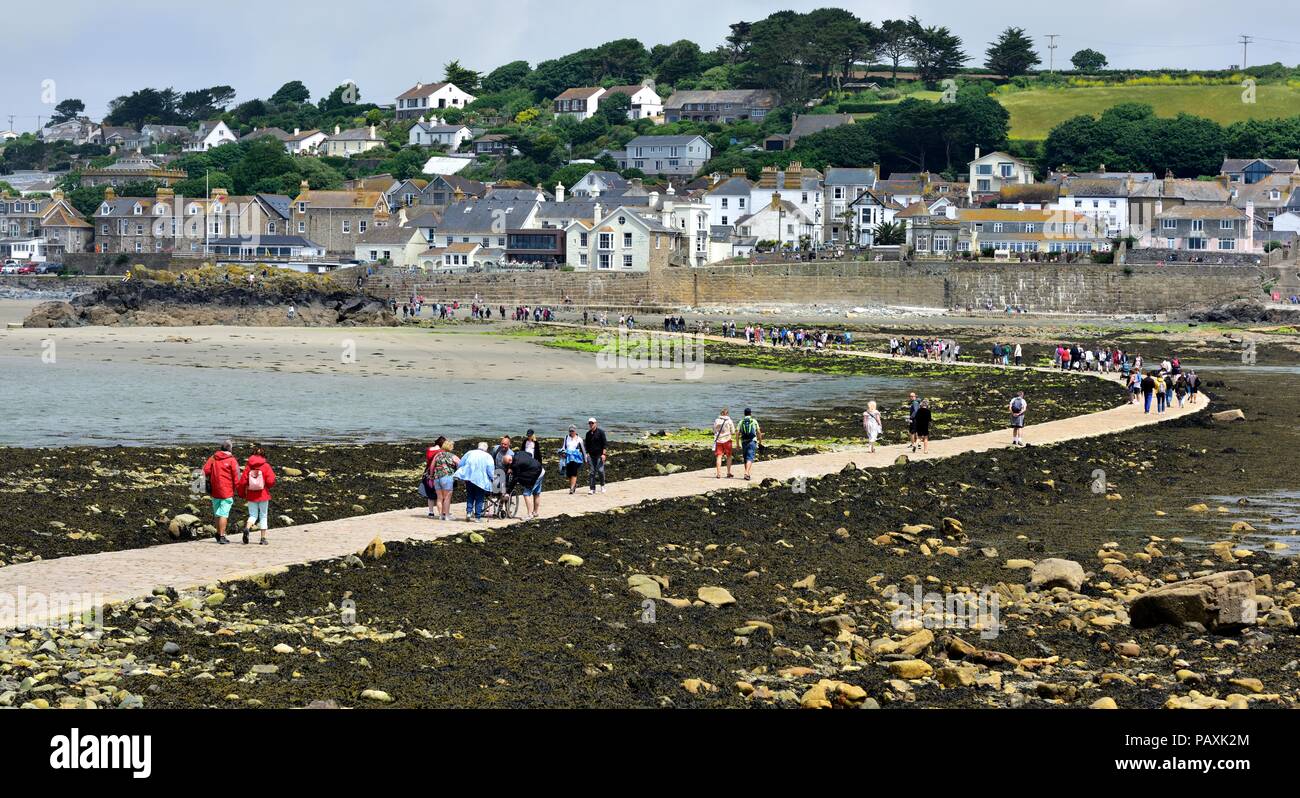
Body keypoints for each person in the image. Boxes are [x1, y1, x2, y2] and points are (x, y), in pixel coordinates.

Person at [235, 443, 277, 545]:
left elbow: (243, 481)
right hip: (263, 494)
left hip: (251, 494)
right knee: (263, 515)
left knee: (253, 515)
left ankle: (247, 528)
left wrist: (241, 493)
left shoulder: (249, 466)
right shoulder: (266, 466)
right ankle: (263, 539)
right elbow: (271, 480)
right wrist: (268, 486)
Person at [202, 439, 241, 545]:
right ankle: (222, 536)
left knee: (217, 513)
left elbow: (205, 470)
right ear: (230, 449)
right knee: (223, 514)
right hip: (226, 491)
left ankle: (219, 534)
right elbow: (237, 477)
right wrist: (240, 490)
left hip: (215, 490)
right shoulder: (232, 460)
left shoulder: (213, 458)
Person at [454, 442, 495, 522]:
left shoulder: (469, 453)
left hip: (469, 478)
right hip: (481, 480)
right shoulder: (488, 456)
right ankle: (477, 517)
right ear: (486, 449)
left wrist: (463, 473)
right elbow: (490, 470)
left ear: (478, 447)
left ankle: (469, 513)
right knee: (479, 498)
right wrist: (493, 478)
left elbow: (461, 464)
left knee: (470, 496)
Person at [509, 447, 545, 519]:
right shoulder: (520, 453)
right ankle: (535, 512)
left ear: (510, 461)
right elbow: (530, 454)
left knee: (526, 494)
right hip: (541, 469)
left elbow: (515, 479)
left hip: (536, 473)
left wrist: (508, 491)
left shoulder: (515, 464)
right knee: (536, 493)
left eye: (508, 465)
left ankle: (529, 514)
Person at [430, 441, 460, 521]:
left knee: (439, 498)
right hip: (447, 477)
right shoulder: (452, 456)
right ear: (450, 447)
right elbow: (460, 464)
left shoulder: (437, 455)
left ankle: (440, 515)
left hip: (437, 477)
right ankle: (446, 516)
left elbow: (432, 466)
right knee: (447, 498)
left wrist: (431, 475)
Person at [560, 425, 587, 494]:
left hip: (576, 458)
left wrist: (585, 459)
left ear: (575, 431)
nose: (571, 432)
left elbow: (583, 450)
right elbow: (564, 447)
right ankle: (574, 485)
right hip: (568, 457)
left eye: (573, 431)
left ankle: (571, 488)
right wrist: (562, 452)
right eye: (570, 431)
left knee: (574, 472)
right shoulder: (566, 438)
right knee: (569, 474)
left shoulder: (579, 439)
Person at [423, 436, 446, 517]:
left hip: (428, 472)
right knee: (441, 495)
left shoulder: (429, 449)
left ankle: (431, 512)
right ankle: (443, 512)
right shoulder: (441, 451)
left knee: (430, 494)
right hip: (439, 473)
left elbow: (428, 461)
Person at [737, 408, 762, 481]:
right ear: (750, 413)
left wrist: (738, 444)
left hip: (744, 441)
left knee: (745, 458)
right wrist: (760, 441)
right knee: (750, 457)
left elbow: (737, 433)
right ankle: (746, 472)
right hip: (752, 441)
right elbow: (758, 432)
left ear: (744, 414)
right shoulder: (754, 421)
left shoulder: (741, 422)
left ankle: (747, 474)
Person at [584, 417, 607, 494]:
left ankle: (602, 485)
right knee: (592, 472)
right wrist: (587, 454)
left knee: (600, 471)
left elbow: (604, 444)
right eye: (589, 423)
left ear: (595, 423)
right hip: (591, 455)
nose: (591, 424)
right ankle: (592, 488)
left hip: (599, 455)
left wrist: (604, 454)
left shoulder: (601, 432)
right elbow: (586, 445)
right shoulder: (588, 434)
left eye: (592, 423)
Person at [712, 407, 736, 479]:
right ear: (727, 414)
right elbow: (733, 431)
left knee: (719, 456)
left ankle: (718, 473)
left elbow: (714, 430)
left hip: (719, 440)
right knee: (729, 456)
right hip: (727, 440)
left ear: (721, 413)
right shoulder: (729, 421)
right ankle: (728, 472)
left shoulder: (717, 420)